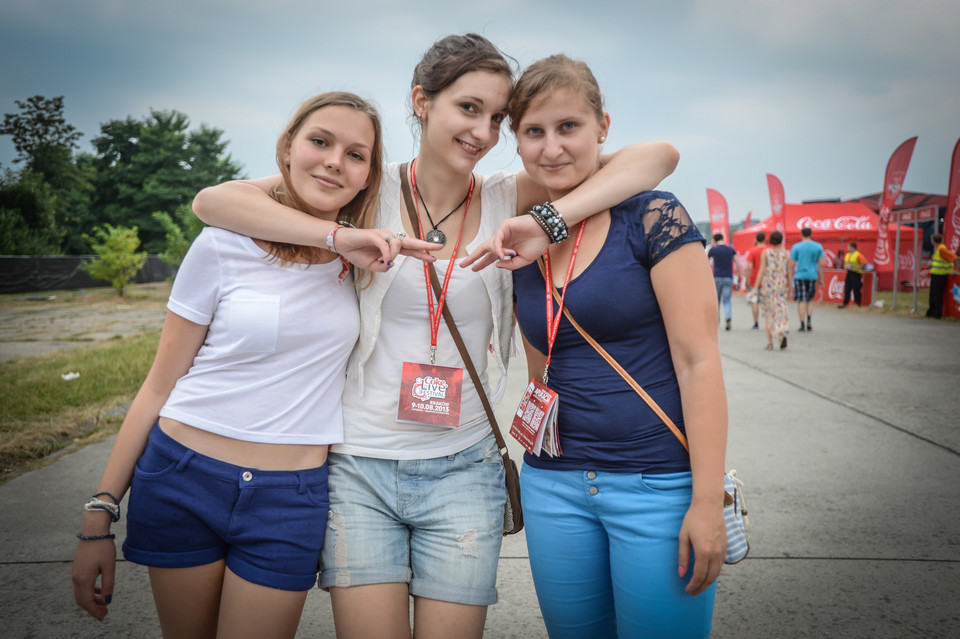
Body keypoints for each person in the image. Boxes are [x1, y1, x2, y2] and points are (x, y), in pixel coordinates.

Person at [192, 34, 679, 639]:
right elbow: (214, 201)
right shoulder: (365, 190)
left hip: (464, 466)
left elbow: (656, 157)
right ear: (422, 101)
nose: (483, 132)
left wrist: (545, 218)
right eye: (468, 108)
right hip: (359, 466)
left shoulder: (508, 195)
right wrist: (339, 237)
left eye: (497, 118)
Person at [70, 92, 411, 639]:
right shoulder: (221, 245)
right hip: (183, 473)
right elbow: (160, 384)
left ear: (369, 174)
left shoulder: (366, 260)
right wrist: (99, 515)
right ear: (287, 147)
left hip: (290, 494)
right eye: (319, 142)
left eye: (356, 154)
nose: (333, 161)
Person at [467, 54, 726, 638]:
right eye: (533, 132)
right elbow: (543, 365)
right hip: (553, 484)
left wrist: (706, 502)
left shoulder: (652, 216)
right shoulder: (520, 233)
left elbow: (699, 361)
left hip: (656, 484)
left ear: (602, 128)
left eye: (568, 127)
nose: (552, 147)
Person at [755, 230, 790, 350]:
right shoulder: (786, 253)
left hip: (768, 285)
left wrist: (755, 287)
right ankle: (782, 332)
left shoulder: (766, 252)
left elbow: (761, 270)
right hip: (781, 284)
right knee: (781, 311)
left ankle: (770, 343)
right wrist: (790, 286)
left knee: (769, 314)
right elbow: (789, 272)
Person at [789, 226, 824, 332]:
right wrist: (821, 277)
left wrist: (790, 277)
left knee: (801, 300)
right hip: (812, 275)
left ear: (801, 234)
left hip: (800, 275)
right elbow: (821, 264)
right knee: (810, 300)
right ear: (811, 234)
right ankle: (809, 320)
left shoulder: (796, 247)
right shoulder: (818, 247)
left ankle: (802, 323)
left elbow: (791, 264)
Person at [707, 233, 741, 331]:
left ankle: (716, 321)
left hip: (717, 277)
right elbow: (737, 263)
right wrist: (739, 276)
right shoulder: (730, 249)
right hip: (728, 277)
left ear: (715, 240)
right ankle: (728, 317)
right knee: (727, 300)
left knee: (716, 301)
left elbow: (706, 262)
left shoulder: (713, 250)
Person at [926, 233, 959, 319]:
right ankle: (931, 312)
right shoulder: (937, 249)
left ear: (933, 240)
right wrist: (931, 264)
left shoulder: (941, 250)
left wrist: (955, 270)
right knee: (933, 294)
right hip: (936, 274)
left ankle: (937, 313)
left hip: (940, 275)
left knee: (937, 295)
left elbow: (954, 258)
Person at [743, 231, 767, 329]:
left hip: (754, 279)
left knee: (754, 301)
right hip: (766, 279)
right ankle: (768, 321)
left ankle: (756, 322)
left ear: (756, 239)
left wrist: (747, 279)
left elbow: (749, 267)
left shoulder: (753, 251)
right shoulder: (768, 250)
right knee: (766, 301)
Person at [840, 241, 868, 308]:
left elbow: (864, 263)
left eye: (848, 247)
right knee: (847, 288)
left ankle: (858, 303)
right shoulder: (847, 254)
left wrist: (857, 268)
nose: (847, 248)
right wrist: (845, 266)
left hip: (856, 274)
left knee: (856, 289)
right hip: (849, 273)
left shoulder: (858, 255)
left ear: (853, 247)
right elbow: (845, 263)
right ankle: (845, 303)